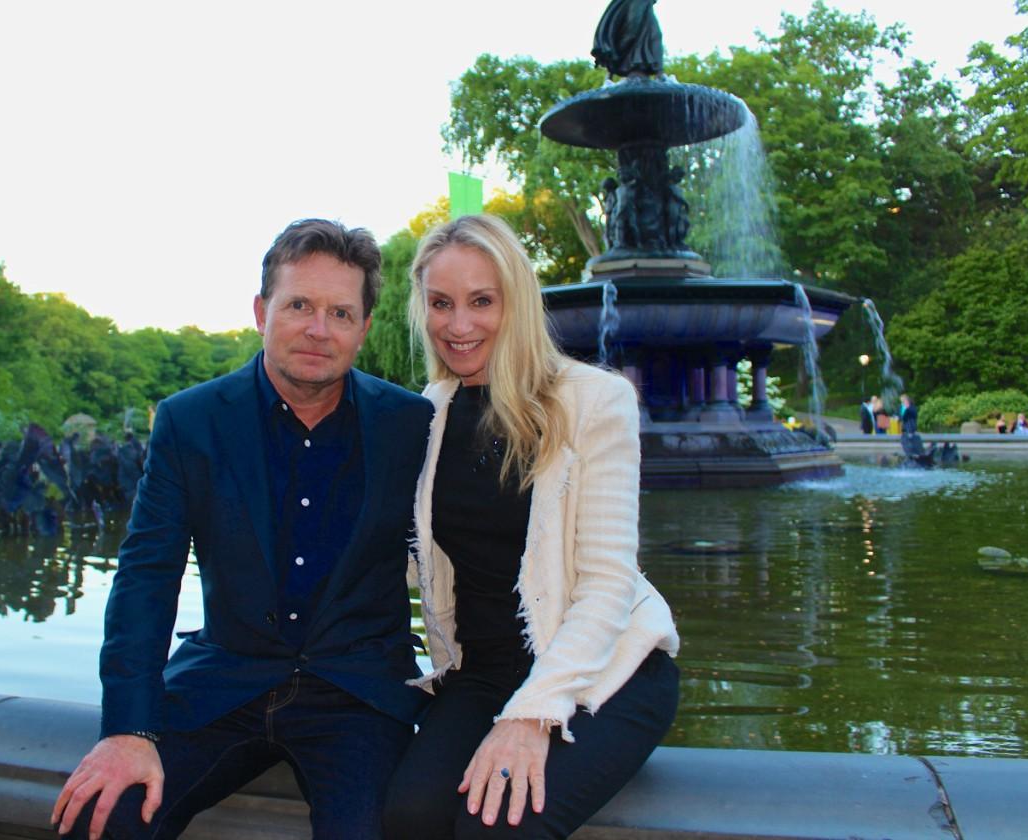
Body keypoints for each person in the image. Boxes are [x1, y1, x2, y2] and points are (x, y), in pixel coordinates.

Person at [52, 219, 434, 840]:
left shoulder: (411, 424)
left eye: (340, 312)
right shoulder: (190, 422)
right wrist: (128, 729)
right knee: (104, 820)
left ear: (364, 329)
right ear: (261, 311)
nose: (318, 328)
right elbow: (147, 578)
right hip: (223, 685)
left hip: (357, 696)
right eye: (299, 305)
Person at [383, 215, 680, 839]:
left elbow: (606, 585)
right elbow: (400, 557)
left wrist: (531, 716)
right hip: (483, 670)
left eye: (481, 301)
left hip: (606, 669)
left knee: (496, 828)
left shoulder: (592, 401)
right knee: (408, 817)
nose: (458, 326)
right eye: (442, 304)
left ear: (516, 302)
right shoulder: (427, 413)